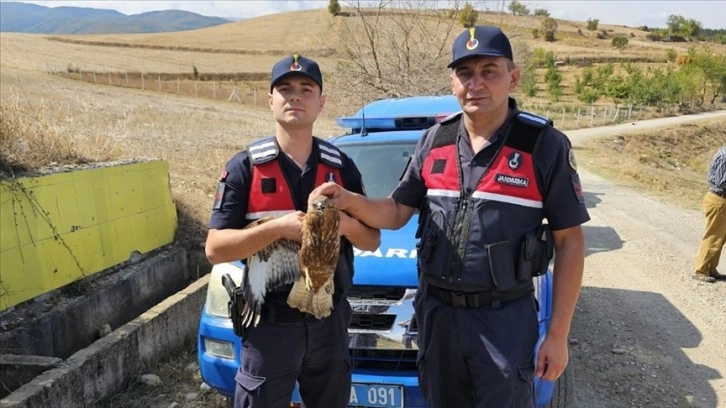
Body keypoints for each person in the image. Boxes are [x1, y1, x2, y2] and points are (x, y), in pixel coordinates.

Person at [309, 26, 589, 407]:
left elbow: (570, 242)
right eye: (465, 73)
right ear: (453, 81)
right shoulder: (435, 140)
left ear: (514, 77)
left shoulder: (542, 145)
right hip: (438, 315)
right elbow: (394, 212)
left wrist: (557, 335)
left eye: (489, 71)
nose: (476, 83)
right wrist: (349, 200)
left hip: (503, 318)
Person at [205, 54, 380, 408]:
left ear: (321, 102)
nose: (295, 97)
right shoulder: (245, 168)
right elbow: (215, 249)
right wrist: (277, 228)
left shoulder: (342, 167)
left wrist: (344, 226)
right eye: (284, 89)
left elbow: (372, 240)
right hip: (269, 325)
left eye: (306, 89)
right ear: (270, 100)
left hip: (328, 320)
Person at [692, 145, 726, 283]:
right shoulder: (725, 155)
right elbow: (721, 181)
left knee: (720, 238)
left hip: (720, 199)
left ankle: (711, 268)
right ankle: (701, 270)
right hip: (720, 199)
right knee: (713, 236)